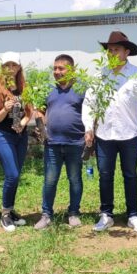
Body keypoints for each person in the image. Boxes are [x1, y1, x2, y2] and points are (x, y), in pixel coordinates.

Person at [83, 31, 137, 233]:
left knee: (130, 174)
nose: (112, 53)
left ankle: (133, 215)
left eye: (117, 49)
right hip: (104, 134)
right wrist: (88, 128)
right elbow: (89, 103)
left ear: (126, 51)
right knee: (105, 175)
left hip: (130, 133)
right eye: (110, 50)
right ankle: (106, 214)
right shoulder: (100, 75)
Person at [34, 54, 85, 230]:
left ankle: (73, 213)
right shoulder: (48, 89)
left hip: (75, 143)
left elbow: (90, 113)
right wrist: (41, 128)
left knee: (75, 179)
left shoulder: (82, 89)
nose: (57, 72)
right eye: (55, 68)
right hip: (52, 144)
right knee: (50, 180)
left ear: (71, 69)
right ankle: (46, 215)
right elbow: (39, 111)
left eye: (61, 68)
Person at [0, 52, 33, 231]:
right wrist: (4, 109)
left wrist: (23, 124)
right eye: (7, 65)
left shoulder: (25, 87)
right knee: (12, 175)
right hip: (2, 135)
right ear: (2, 68)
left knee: (16, 175)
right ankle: (5, 214)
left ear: (19, 67)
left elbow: (30, 112)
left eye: (13, 65)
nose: (10, 69)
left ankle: (11, 209)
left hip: (20, 136)